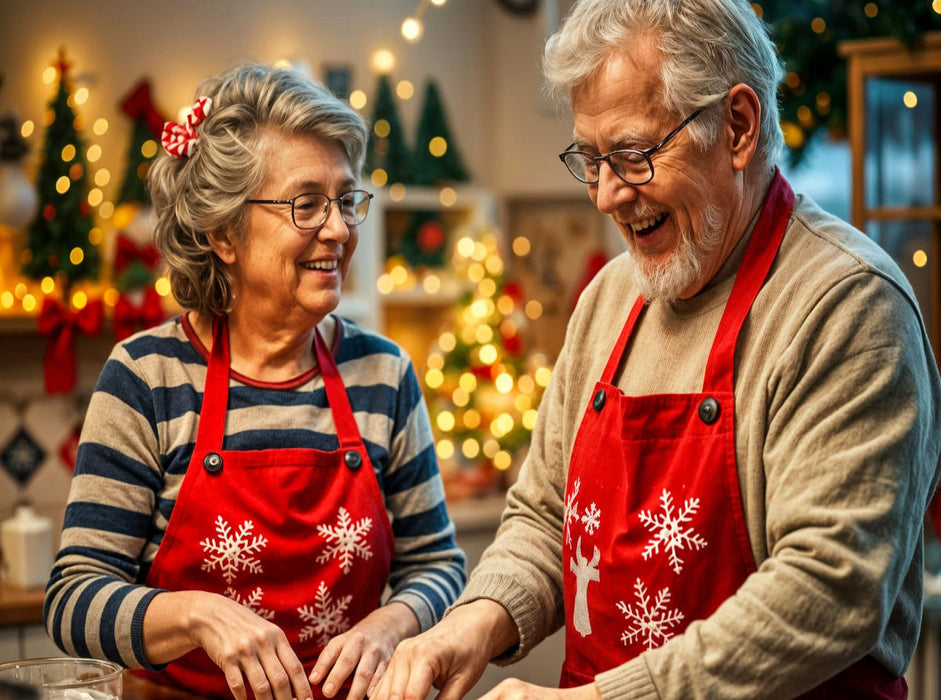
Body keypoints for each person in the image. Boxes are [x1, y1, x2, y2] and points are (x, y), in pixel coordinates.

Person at [371, 1, 941, 699]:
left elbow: (828, 591)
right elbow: (545, 515)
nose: (607, 195)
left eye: (633, 155)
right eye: (589, 159)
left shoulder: (848, 305)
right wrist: (474, 623)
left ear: (736, 126)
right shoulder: (610, 298)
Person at [44, 63, 466, 700]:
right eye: (306, 204)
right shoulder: (147, 377)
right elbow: (74, 599)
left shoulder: (384, 374)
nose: (338, 229)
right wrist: (198, 614)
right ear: (222, 234)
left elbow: (437, 564)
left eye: (346, 200)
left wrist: (391, 624)